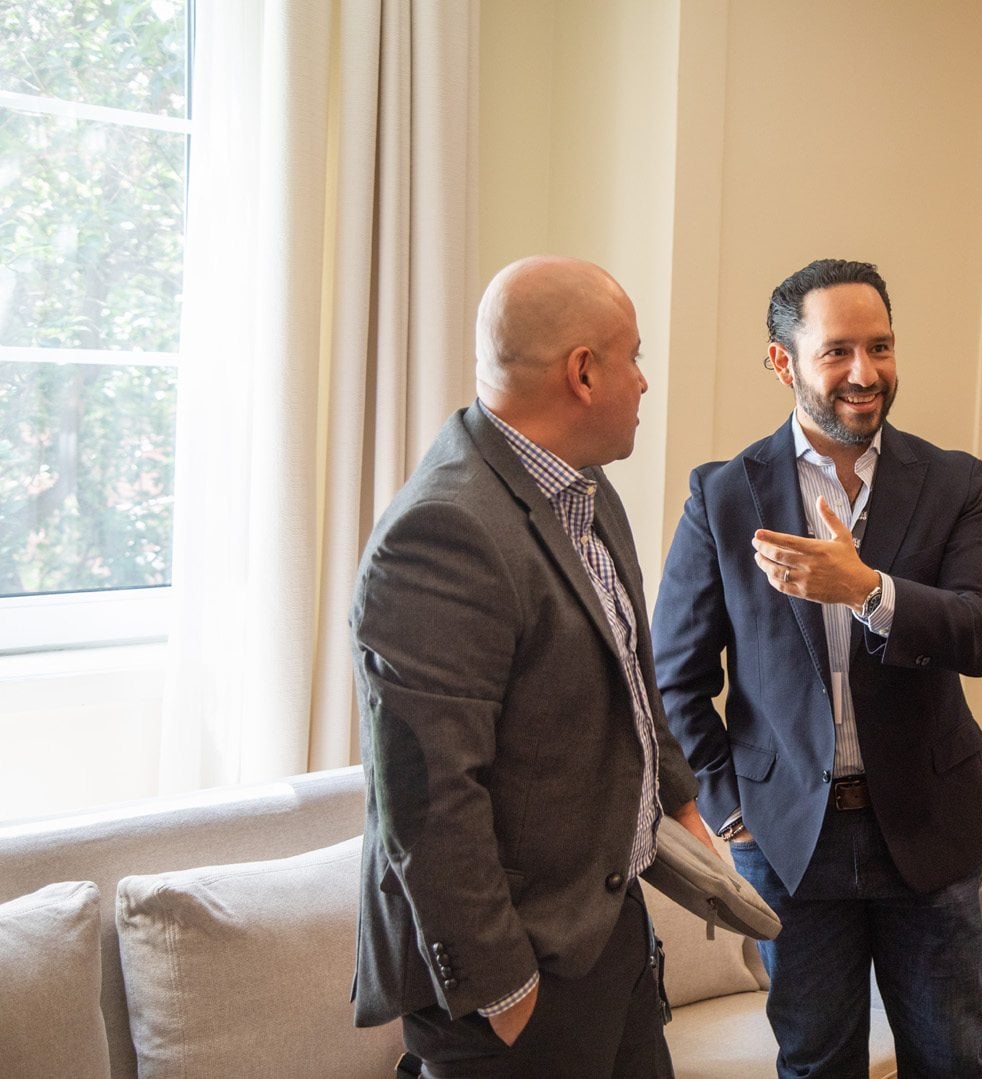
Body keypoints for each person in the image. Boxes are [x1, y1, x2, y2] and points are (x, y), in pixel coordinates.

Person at [350, 256, 712, 1077]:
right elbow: (427, 795)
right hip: (517, 978)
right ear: (583, 372)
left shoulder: (586, 489)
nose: (644, 381)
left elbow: (629, 678)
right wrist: (503, 984)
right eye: (633, 356)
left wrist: (680, 802)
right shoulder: (442, 531)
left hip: (609, 938)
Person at [653, 257, 982, 1077]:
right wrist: (729, 807)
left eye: (880, 347)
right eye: (838, 351)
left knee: (953, 1060)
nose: (865, 372)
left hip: (931, 826)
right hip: (788, 841)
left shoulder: (953, 481)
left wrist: (869, 591)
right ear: (783, 361)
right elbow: (675, 673)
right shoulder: (723, 495)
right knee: (816, 1063)